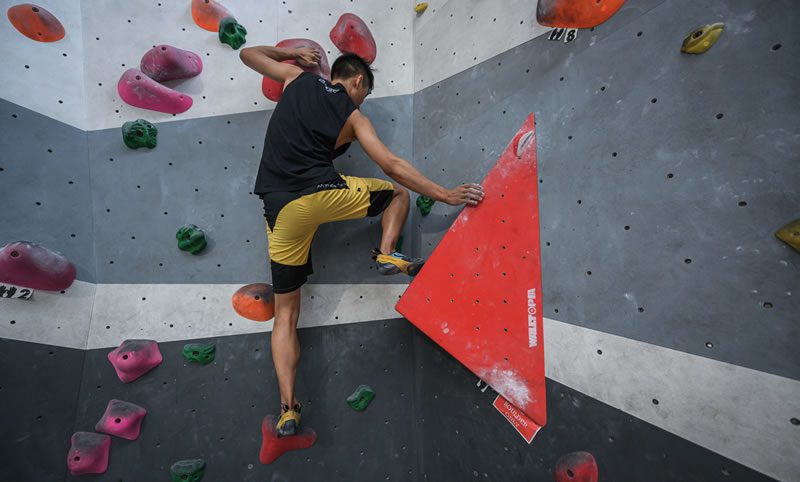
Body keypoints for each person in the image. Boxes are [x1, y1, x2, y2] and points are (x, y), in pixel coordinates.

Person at [239, 44, 484, 436]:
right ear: (356, 81)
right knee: (397, 195)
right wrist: (444, 194)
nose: (362, 101)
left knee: (285, 315)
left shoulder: (295, 80)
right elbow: (392, 165)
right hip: (319, 192)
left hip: (278, 208)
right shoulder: (352, 115)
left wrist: (290, 56)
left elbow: (247, 55)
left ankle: (288, 407)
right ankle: (387, 253)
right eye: (365, 94)